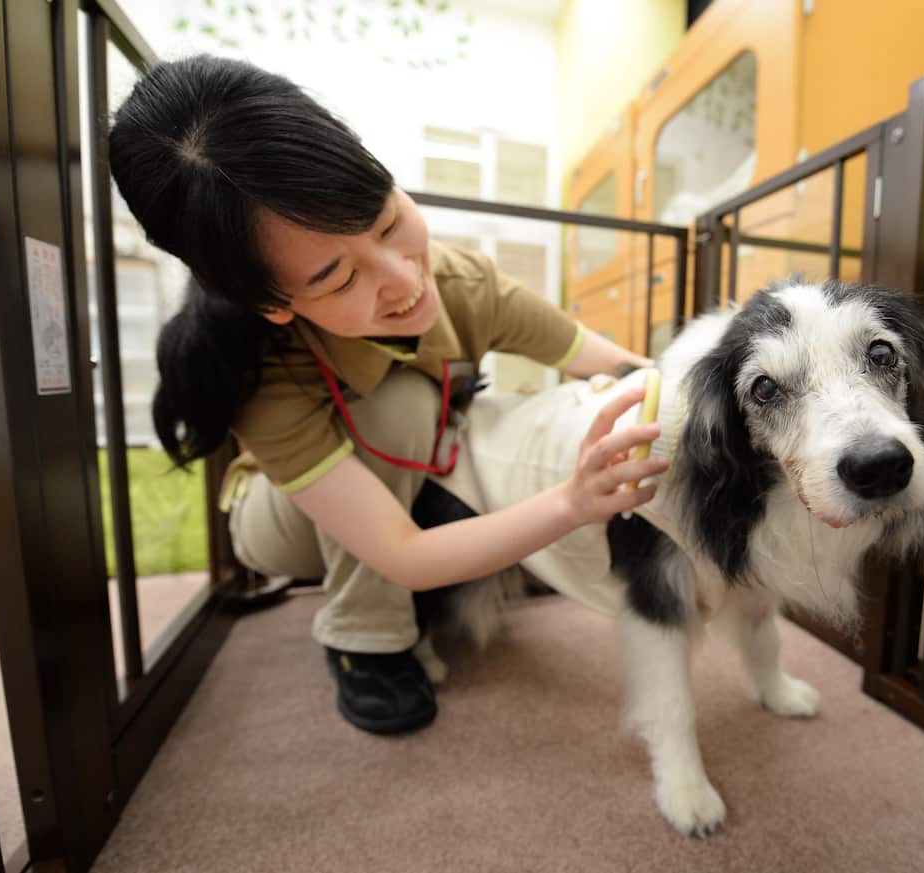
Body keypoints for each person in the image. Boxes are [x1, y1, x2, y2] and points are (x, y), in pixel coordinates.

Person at [107, 55, 665, 735]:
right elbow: (400, 549)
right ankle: (364, 637)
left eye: (385, 218)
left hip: (412, 479)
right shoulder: (270, 374)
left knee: (472, 418)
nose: (403, 279)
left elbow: (605, 360)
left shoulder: (461, 280)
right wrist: (571, 504)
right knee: (400, 407)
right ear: (275, 303)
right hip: (285, 525)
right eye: (339, 279)